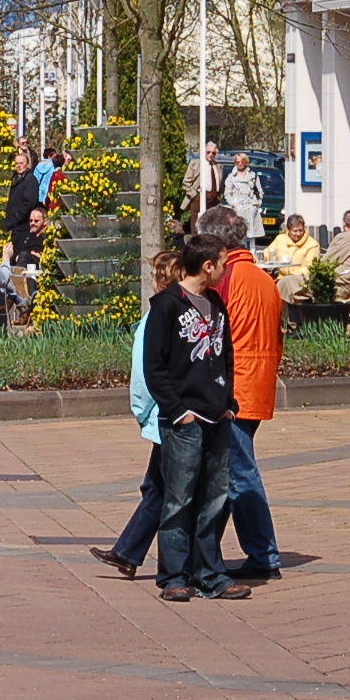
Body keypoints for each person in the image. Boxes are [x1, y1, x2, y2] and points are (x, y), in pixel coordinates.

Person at [143, 233, 250, 602]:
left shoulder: (216, 302)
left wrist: (229, 401)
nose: (225, 269)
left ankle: (210, 574)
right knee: (179, 499)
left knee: (216, 499)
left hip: (217, 417)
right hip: (183, 421)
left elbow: (226, 355)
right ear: (208, 266)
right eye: (222, 262)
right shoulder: (166, 306)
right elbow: (154, 366)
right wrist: (177, 412)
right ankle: (173, 576)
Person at [89, 250, 184, 580]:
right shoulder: (188, 312)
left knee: (162, 488)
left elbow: (143, 376)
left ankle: (136, 554)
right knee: (157, 486)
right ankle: (128, 552)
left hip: (165, 417)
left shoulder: (155, 318)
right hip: (179, 415)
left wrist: (142, 413)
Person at [201, 206, 284, 582]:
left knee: (238, 473)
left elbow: (214, 336)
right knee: (228, 471)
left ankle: (263, 554)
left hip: (235, 387)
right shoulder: (262, 278)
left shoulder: (228, 277)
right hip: (256, 381)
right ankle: (207, 551)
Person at [265, 214, 323, 303]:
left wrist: (291, 274)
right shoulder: (280, 239)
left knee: (284, 284)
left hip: (300, 281)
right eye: (295, 231)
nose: (298, 234)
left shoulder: (312, 245)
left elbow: (310, 268)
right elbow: (268, 253)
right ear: (288, 230)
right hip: (279, 278)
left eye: (301, 230)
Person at [3, 150, 43, 265]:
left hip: (23, 225)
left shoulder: (30, 180)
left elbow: (29, 203)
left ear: (27, 164)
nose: (18, 166)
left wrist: (15, 219)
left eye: (21, 163)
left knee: (20, 257)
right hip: (15, 226)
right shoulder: (16, 179)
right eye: (16, 163)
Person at [180, 141, 223, 225]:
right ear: (204, 152)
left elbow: (220, 183)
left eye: (213, 153)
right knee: (197, 225)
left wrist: (219, 197)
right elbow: (186, 182)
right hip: (199, 198)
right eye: (208, 152)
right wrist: (193, 195)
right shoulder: (196, 164)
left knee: (212, 226)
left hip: (214, 199)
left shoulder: (218, 166)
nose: (211, 155)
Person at [222, 153, 262, 224]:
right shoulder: (231, 177)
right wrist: (234, 204)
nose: (240, 164)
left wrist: (256, 204)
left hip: (251, 210)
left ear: (246, 162)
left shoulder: (253, 176)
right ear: (235, 163)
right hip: (238, 210)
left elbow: (259, 191)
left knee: (251, 233)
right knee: (239, 231)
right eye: (238, 162)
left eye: (242, 162)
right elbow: (227, 194)